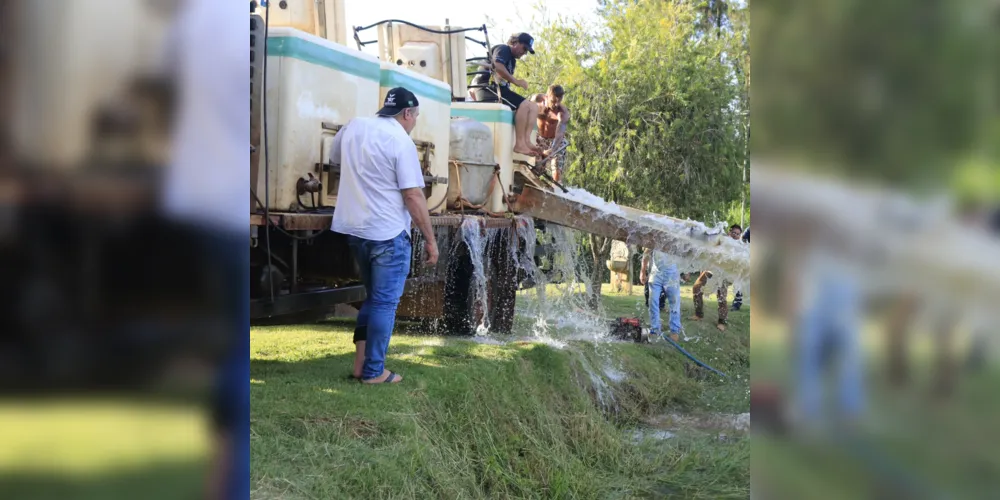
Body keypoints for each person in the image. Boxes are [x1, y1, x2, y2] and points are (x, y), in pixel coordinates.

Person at [330, 87, 439, 384]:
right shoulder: (400, 141)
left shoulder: (354, 126)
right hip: (388, 234)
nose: (414, 122)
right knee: (383, 303)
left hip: (356, 230)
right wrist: (430, 239)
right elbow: (414, 196)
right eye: (415, 117)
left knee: (372, 299)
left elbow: (335, 159)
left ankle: (360, 366)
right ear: (406, 113)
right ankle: (374, 371)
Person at [469, 32, 543, 157]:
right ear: (515, 43)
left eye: (527, 51)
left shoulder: (512, 61)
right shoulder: (503, 49)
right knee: (524, 105)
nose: (524, 53)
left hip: (499, 88)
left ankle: (526, 141)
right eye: (524, 49)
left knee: (533, 107)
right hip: (487, 87)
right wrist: (516, 81)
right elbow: (498, 66)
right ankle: (519, 144)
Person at [692, 224, 743, 331]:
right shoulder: (722, 240)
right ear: (730, 232)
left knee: (721, 297)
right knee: (696, 287)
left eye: (738, 234)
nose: (735, 235)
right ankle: (699, 314)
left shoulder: (740, 247)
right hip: (712, 269)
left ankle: (721, 321)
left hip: (724, 274)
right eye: (734, 233)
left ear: (740, 236)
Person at [529, 85, 571, 181]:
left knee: (556, 166)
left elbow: (560, 132)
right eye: (553, 101)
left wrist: (553, 149)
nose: (556, 105)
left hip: (555, 140)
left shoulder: (562, 112)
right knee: (537, 168)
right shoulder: (537, 100)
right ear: (547, 96)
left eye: (559, 101)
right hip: (539, 138)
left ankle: (556, 186)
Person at [640, 247, 682, 341]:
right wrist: (642, 271)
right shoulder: (656, 236)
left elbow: (684, 254)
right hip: (656, 274)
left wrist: (686, 272)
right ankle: (655, 329)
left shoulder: (674, 237)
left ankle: (674, 330)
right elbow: (646, 253)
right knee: (653, 301)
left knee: (674, 302)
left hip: (672, 274)